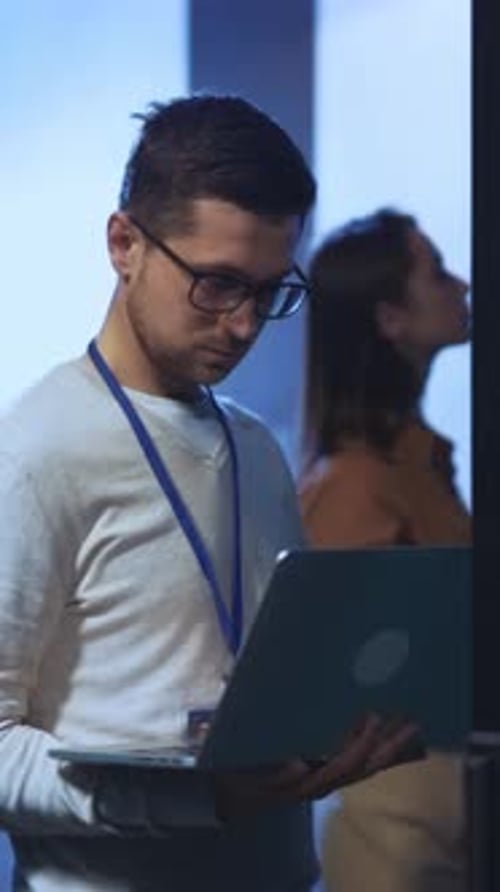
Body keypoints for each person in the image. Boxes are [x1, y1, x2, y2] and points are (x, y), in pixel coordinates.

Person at [0, 98, 419, 892]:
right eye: (218, 285)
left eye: (269, 292)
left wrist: (338, 732)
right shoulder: (32, 452)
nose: (244, 324)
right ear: (124, 244)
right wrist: (196, 798)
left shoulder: (255, 447)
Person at [300, 207, 471, 892]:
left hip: (444, 827)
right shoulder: (353, 486)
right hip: (395, 839)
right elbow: (337, 689)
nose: (462, 285)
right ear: (390, 317)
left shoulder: (421, 465)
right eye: (436, 271)